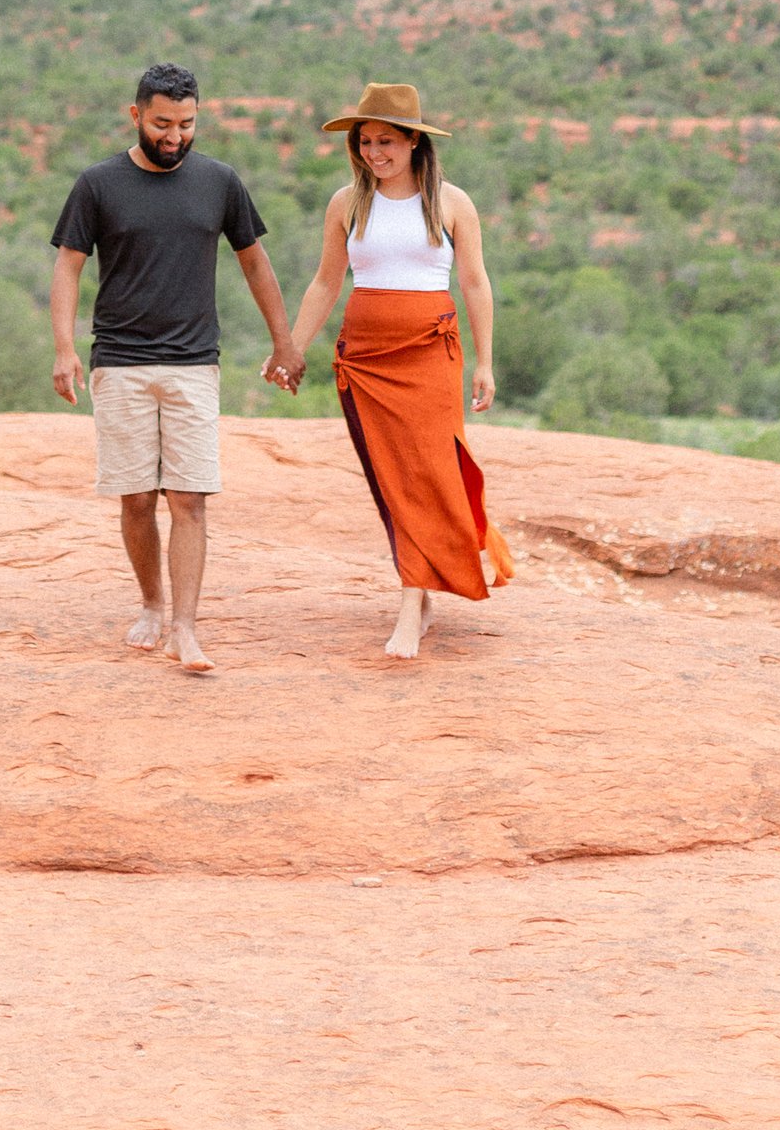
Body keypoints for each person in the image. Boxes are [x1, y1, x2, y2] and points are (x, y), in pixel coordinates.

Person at [50, 60, 303, 674]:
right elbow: (68, 266)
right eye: (162, 123)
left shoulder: (219, 182)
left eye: (186, 125)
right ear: (136, 115)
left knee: (190, 498)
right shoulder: (97, 184)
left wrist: (284, 341)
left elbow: (255, 263)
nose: (174, 136)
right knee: (136, 497)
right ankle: (151, 604)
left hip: (194, 363)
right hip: (120, 362)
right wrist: (64, 348)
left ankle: (185, 630)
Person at [285, 80, 512, 659]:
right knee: (391, 478)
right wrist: (291, 347)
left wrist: (485, 361)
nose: (373, 153)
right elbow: (325, 282)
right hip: (364, 358)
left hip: (430, 353)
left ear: (413, 141)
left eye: (385, 141)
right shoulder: (347, 202)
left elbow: (475, 282)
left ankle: (410, 608)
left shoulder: (451, 202)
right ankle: (419, 592)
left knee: (427, 473)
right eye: (365, 142)